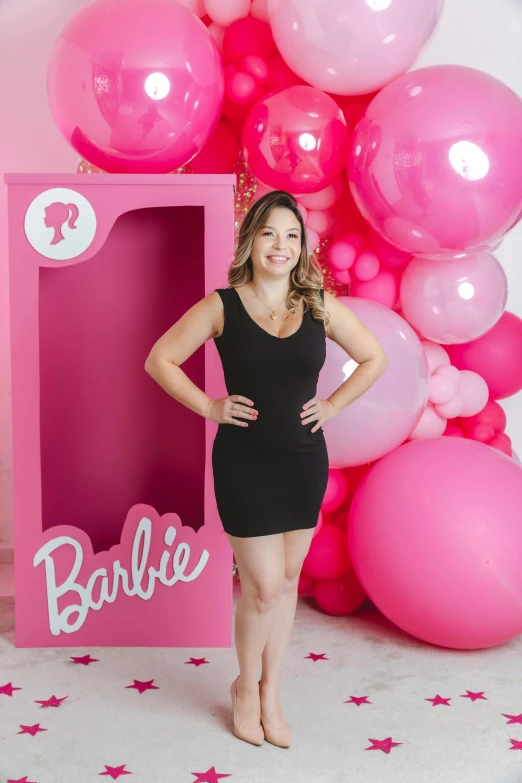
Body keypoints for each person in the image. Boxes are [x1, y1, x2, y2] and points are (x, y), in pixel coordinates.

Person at [144, 189, 388, 748]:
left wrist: (331, 406)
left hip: (304, 461)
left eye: (292, 235)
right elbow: (160, 357)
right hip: (244, 463)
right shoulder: (222, 305)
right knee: (260, 587)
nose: (280, 245)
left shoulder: (320, 305)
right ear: (251, 240)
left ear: (302, 248)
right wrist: (209, 406)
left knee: (286, 583)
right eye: (269, 233)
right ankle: (243, 687)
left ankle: (271, 692)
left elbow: (375, 356)